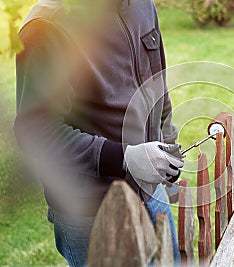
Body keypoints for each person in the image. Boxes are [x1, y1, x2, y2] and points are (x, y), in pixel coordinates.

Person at [14, 0, 183, 266]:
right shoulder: (47, 23)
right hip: (90, 212)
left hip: (151, 192)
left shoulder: (142, 4)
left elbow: (157, 85)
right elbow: (36, 130)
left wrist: (169, 150)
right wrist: (123, 158)